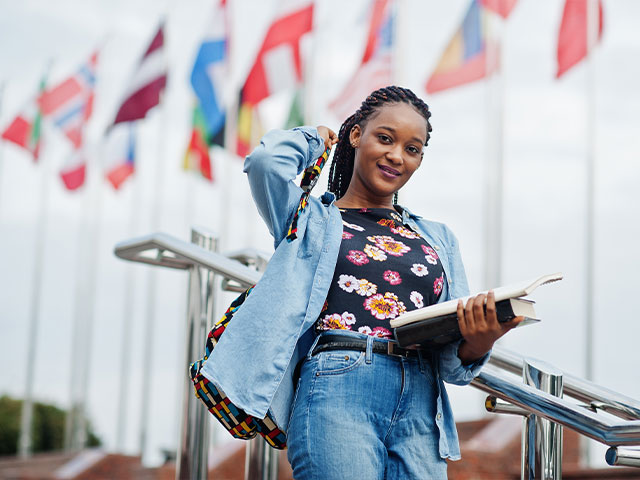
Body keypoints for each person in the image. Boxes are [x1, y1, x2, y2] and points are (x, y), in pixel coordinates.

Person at [200, 86, 522, 479]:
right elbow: (267, 162)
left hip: (422, 402)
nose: (396, 156)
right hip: (338, 389)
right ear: (356, 135)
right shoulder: (311, 220)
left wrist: (481, 338)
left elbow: (453, 366)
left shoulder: (438, 238)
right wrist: (315, 138)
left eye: (412, 148)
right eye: (385, 138)